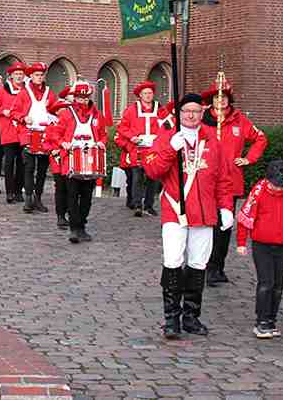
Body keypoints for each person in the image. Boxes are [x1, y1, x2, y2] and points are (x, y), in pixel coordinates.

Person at [143, 93, 234, 339]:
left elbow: (223, 179)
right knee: (173, 261)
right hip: (176, 210)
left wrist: (226, 207)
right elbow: (152, 170)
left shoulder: (213, 141)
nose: (191, 115)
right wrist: (169, 150)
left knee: (198, 264)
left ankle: (191, 316)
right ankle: (171, 318)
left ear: (202, 113)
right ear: (179, 114)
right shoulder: (167, 137)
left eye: (195, 111)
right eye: (186, 111)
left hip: (204, 213)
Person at [202, 79, 269, 287]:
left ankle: (217, 267)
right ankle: (203, 265)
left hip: (230, 182)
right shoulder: (203, 119)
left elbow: (260, 138)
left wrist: (249, 159)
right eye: (216, 97)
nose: (220, 100)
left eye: (224, 97)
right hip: (206, 180)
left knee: (224, 225)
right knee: (207, 224)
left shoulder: (240, 120)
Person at [236, 159, 283, 339]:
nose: (279, 188)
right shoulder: (258, 192)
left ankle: (271, 320)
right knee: (266, 283)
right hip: (261, 245)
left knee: (278, 285)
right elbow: (245, 217)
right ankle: (261, 321)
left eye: (282, 185)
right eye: (276, 184)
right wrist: (241, 242)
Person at [46, 81, 108, 243]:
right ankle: (74, 228)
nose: (83, 100)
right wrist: (63, 143)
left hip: (91, 159)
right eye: (80, 97)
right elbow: (55, 133)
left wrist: (101, 142)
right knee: (72, 195)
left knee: (87, 196)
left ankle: (82, 225)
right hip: (71, 159)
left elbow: (103, 134)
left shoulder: (97, 115)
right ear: (75, 98)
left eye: (86, 98)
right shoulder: (67, 114)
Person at [115, 81, 173, 217]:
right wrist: (132, 137)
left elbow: (169, 125)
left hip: (154, 149)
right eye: (145, 93)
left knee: (153, 178)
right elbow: (123, 127)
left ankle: (149, 205)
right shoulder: (131, 110)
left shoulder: (160, 109)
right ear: (140, 95)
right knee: (137, 178)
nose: (148, 95)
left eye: (150, 93)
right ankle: (137, 205)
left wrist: (162, 138)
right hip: (138, 148)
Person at [12, 63, 58, 213]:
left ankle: (38, 198)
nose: (39, 77)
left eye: (41, 75)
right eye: (37, 75)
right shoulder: (24, 93)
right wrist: (24, 118)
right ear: (31, 76)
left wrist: (53, 113)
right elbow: (14, 112)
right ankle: (28, 199)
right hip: (28, 134)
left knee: (42, 170)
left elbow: (56, 111)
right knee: (29, 168)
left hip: (46, 135)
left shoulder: (50, 93)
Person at [1, 62, 28, 203]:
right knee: (9, 162)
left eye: (21, 74)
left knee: (22, 162)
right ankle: (10, 192)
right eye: (16, 74)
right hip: (8, 130)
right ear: (11, 75)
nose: (18, 76)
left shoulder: (28, 90)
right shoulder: (3, 90)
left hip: (23, 130)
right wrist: (2, 111)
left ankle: (18, 191)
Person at [44, 92, 72, 229]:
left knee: (71, 188)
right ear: (56, 111)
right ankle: (60, 215)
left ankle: (70, 213)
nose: (65, 111)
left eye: (67, 108)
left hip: (70, 159)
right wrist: (52, 150)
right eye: (62, 109)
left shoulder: (72, 124)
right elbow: (46, 143)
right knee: (60, 187)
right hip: (57, 161)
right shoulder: (51, 125)